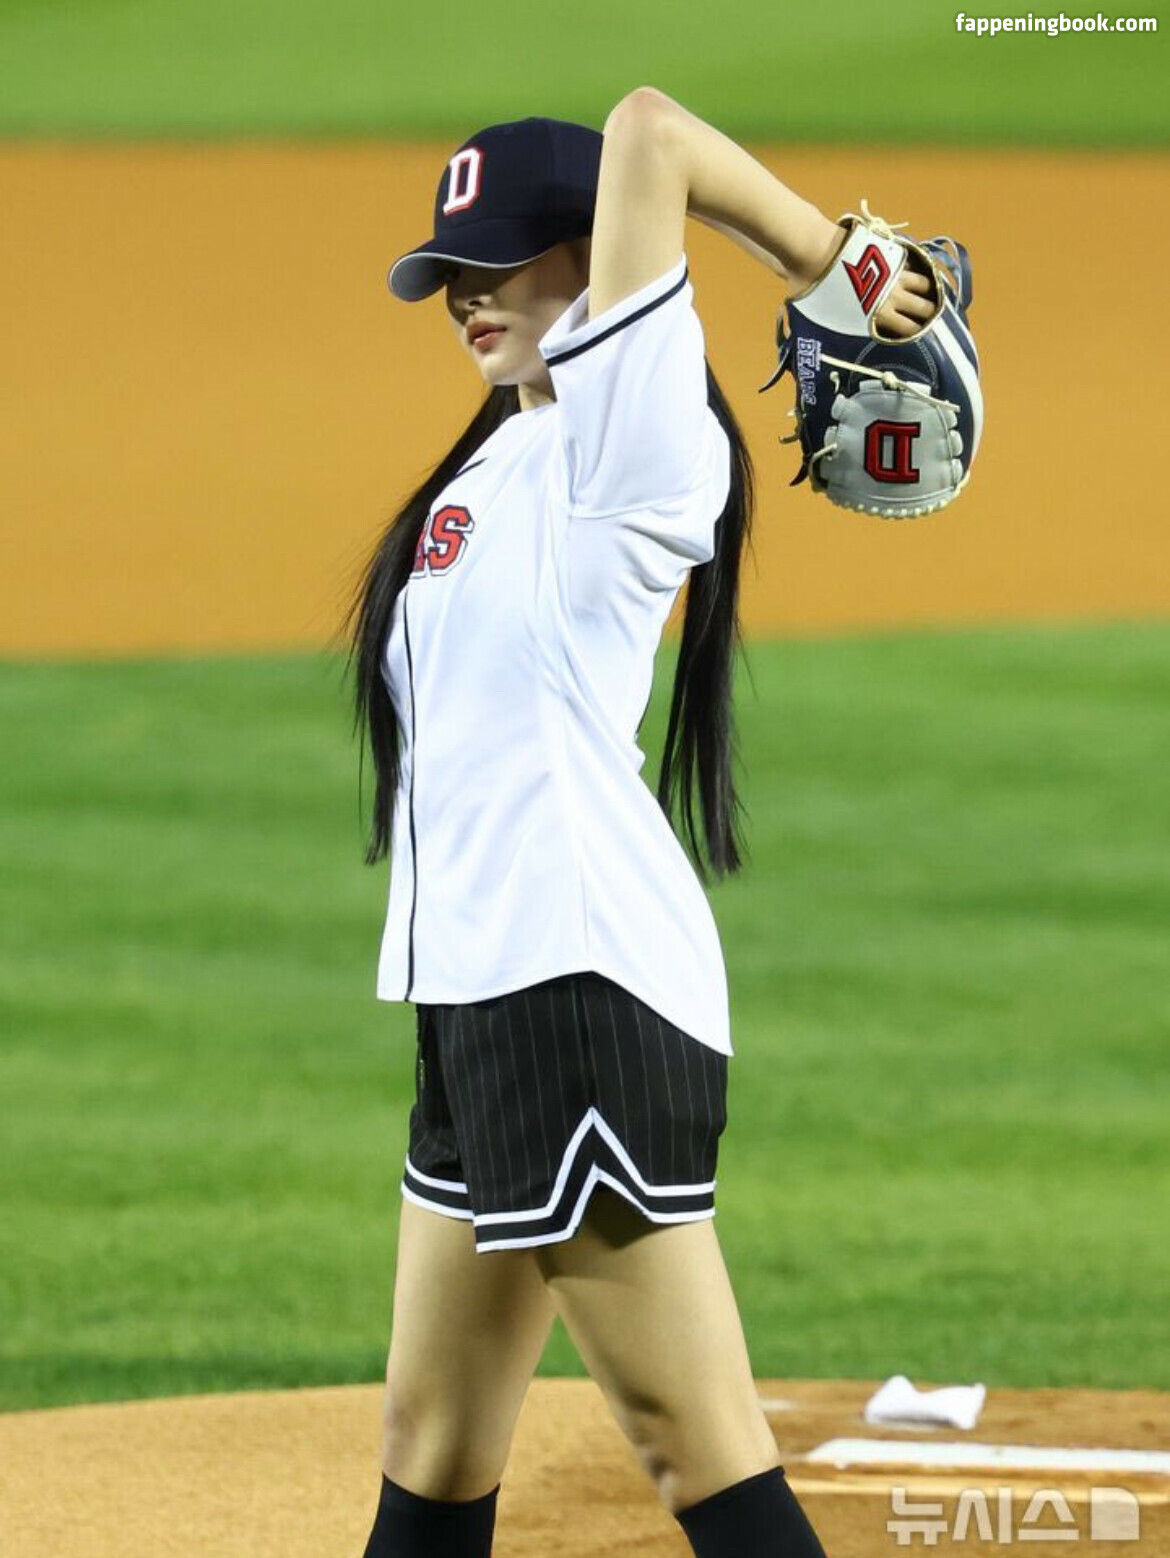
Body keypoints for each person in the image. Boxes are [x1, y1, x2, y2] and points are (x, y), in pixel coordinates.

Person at [350, 87, 933, 1558]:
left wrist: (837, 263)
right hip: (481, 998)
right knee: (431, 1443)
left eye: (501, 256)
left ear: (595, 256)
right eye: (451, 270)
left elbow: (651, 129)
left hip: (577, 992)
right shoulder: (506, 452)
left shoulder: (636, 438)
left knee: (697, 1451)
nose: (467, 293)